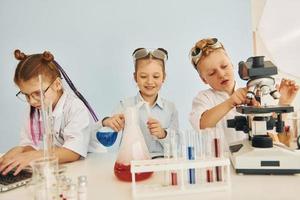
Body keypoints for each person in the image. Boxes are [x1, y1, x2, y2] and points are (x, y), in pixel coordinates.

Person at [0, 49, 105, 176]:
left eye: (38, 93)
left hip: (93, 167)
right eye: (26, 95)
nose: (32, 101)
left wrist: (35, 155)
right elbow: (31, 146)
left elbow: (73, 153)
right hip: (66, 169)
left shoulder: (75, 107)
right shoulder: (34, 110)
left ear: (57, 84)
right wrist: (20, 150)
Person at [189, 37, 299, 145]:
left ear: (232, 64)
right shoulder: (204, 98)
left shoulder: (250, 93)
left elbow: (269, 129)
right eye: (212, 73)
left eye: (224, 66)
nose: (221, 74)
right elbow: (202, 124)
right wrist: (230, 102)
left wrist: (284, 102)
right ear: (203, 79)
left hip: (249, 159)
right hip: (223, 162)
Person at [100, 48, 179, 155]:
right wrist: (107, 121)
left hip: (161, 164)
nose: (150, 81)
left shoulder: (170, 108)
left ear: (163, 77)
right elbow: (105, 130)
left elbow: (177, 146)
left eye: (156, 76)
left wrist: (163, 134)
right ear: (135, 77)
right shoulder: (125, 105)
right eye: (143, 76)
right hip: (131, 164)